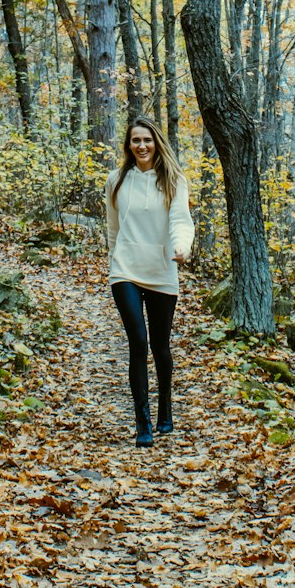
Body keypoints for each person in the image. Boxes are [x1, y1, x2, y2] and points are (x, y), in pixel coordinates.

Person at [106, 116, 194, 447]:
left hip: (162, 268)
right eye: (135, 141)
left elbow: (181, 221)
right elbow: (112, 226)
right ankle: (142, 421)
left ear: (156, 142)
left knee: (160, 345)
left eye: (147, 140)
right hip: (125, 269)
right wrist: (113, 257)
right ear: (128, 146)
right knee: (138, 342)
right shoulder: (116, 179)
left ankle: (165, 410)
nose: (142, 146)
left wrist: (181, 247)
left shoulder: (173, 179)